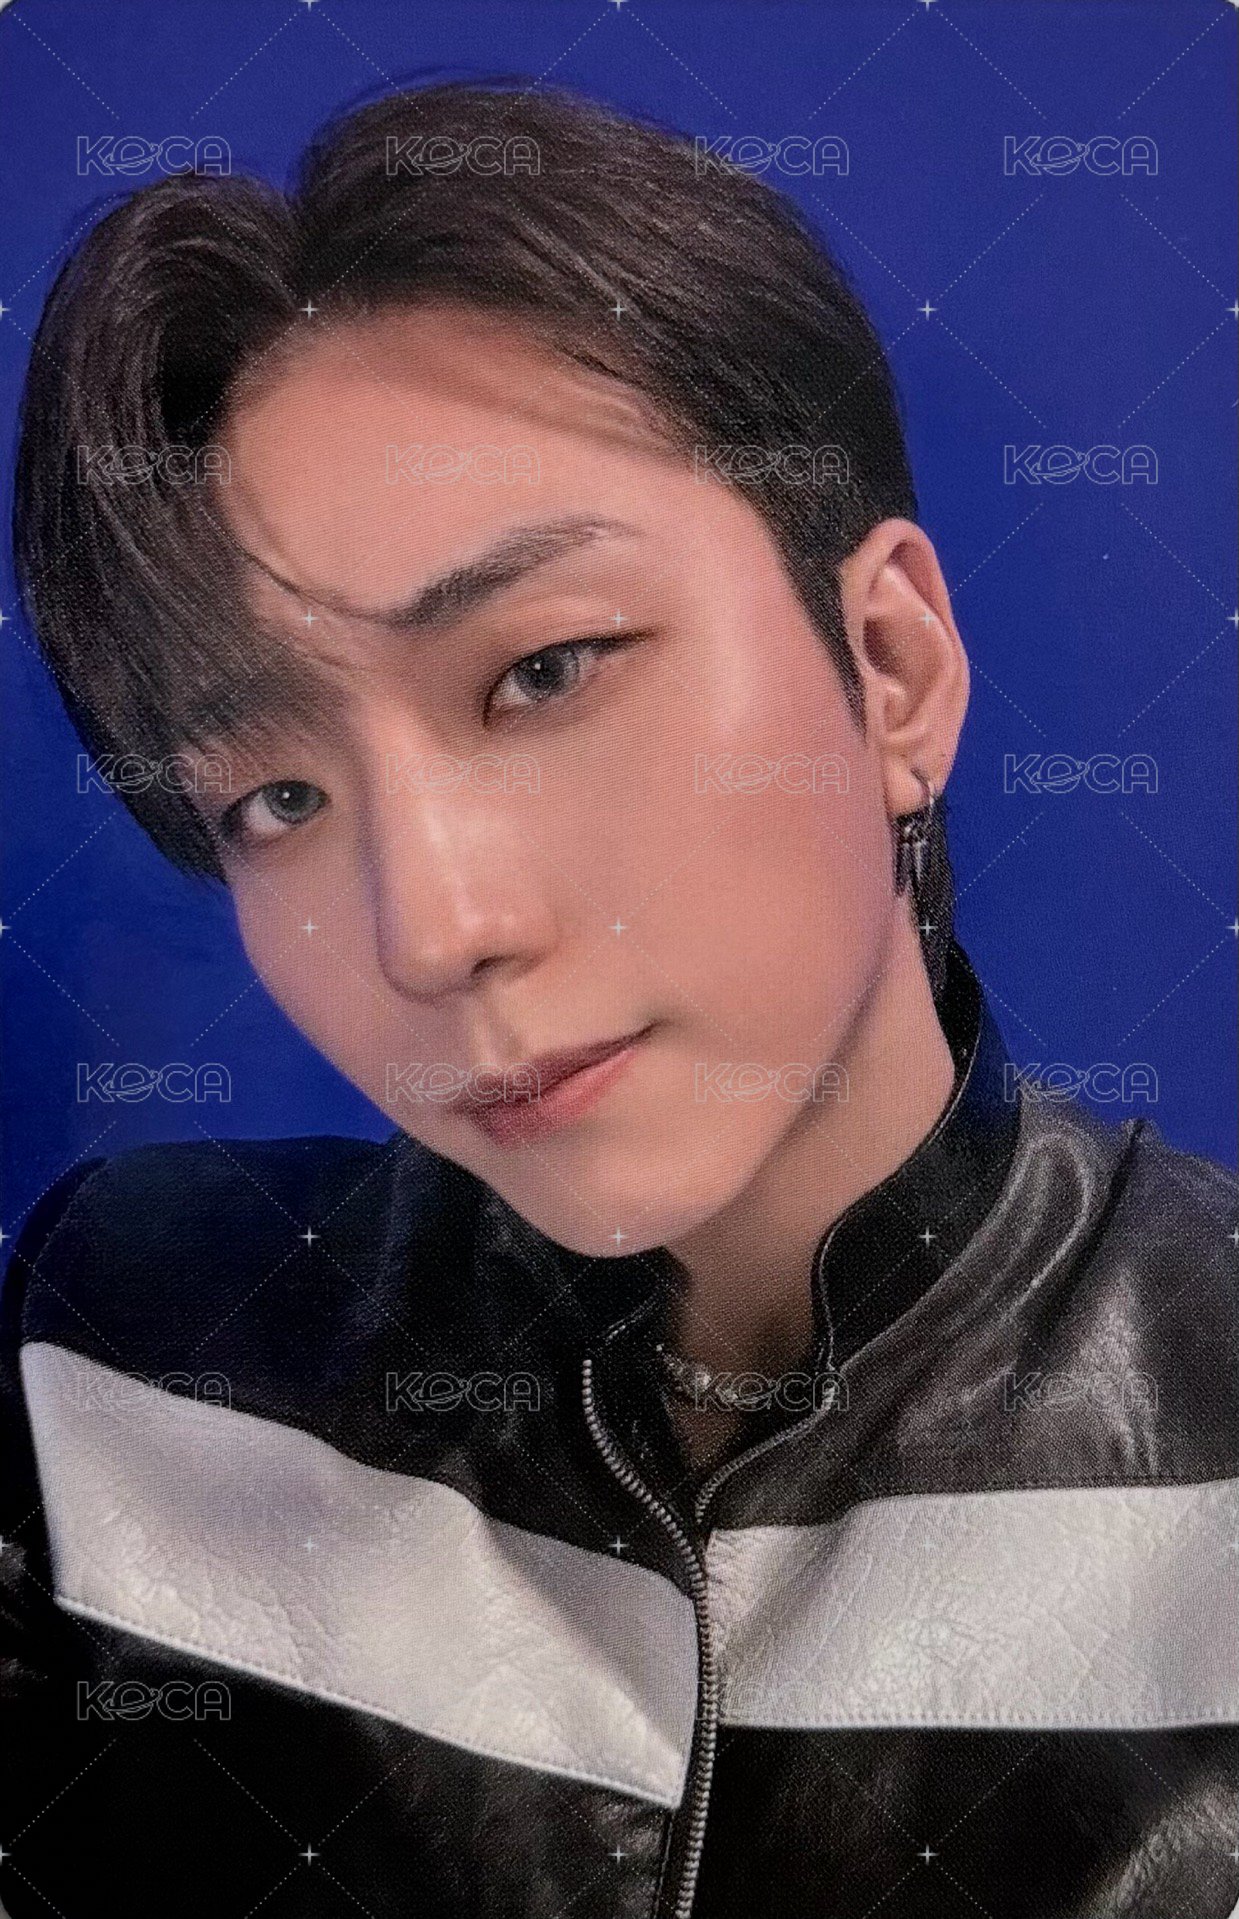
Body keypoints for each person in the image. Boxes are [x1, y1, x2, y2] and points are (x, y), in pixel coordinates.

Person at [2, 80, 1236, 1919]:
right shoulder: (124, 1352)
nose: (433, 930)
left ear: (891, 669)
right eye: (276, 798)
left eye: (545, 672)